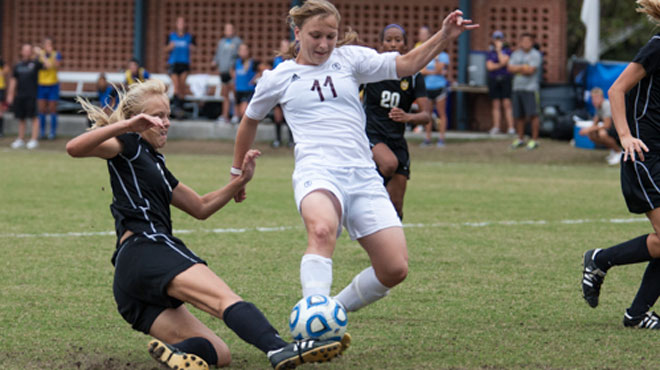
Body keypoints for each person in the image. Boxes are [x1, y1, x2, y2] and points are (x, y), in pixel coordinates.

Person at [66, 79, 342, 370]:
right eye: (158, 116)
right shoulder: (128, 145)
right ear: (138, 119)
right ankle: (278, 349)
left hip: (129, 281)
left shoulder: (154, 164)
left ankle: (178, 355)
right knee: (225, 299)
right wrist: (126, 126)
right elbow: (74, 148)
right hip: (147, 248)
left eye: (168, 115)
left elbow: (200, 207)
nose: (165, 122)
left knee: (218, 353)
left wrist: (240, 181)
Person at [232, 0, 476, 325]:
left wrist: (443, 35)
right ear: (297, 32)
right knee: (321, 231)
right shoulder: (279, 77)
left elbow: (405, 64)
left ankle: (332, 310)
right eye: (315, 35)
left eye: (330, 36)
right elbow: (249, 120)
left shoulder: (350, 59)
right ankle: (313, 318)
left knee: (394, 268)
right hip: (317, 172)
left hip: (363, 175)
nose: (323, 44)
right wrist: (238, 173)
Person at [581, 0, 660, 330]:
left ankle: (637, 313)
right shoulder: (658, 46)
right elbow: (616, 90)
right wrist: (625, 136)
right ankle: (600, 259)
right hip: (644, 153)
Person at [363, 24, 431, 219]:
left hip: (397, 140)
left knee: (396, 209)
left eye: (398, 40)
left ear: (405, 44)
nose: (393, 44)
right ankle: (362, 195)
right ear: (381, 44)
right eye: (388, 40)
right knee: (389, 164)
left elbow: (427, 115)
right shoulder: (369, 69)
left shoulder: (413, 75)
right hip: (371, 134)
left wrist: (408, 117)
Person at [508, 33, 542, 150]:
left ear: (532, 42)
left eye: (528, 41)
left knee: (533, 115)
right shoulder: (516, 54)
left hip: (531, 89)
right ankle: (520, 139)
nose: (526, 43)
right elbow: (510, 68)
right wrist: (523, 67)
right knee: (519, 115)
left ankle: (534, 140)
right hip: (517, 88)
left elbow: (531, 71)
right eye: (524, 41)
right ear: (520, 42)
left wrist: (518, 68)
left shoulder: (535, 55)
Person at [8, 44, 43, 150]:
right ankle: (21, 139)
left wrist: (40, 53)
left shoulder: (35, 63)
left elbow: (48, 66)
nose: (27, 52)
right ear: (22, 51)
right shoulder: (18, 65)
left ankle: (33, 139)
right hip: (20, 95)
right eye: (25, 50)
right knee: (21, 118)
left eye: (29, 50)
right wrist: (10, 94)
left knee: (34, 117)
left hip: (32, 95)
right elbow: (14, 80)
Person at [577, 87, 622, 165]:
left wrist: (588, 130)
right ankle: (613, 150)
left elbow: (607, 125)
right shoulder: (598, 107)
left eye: (596, 98)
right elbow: (595, 122)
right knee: (592, 134)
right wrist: (588, 130)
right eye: (593, 98)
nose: (594, 100)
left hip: (619, 129)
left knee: (602, 133)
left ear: (602, 97)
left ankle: (619, 152)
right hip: (612, 129)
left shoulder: (606, 105)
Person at [486, 30, 515, 136]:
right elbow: (489, 67)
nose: (497, 41)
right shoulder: (490, 52)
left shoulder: (507, 51)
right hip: (493, 79)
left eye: (499, 38)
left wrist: (499, 51)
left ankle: (511, 127)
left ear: (503, 39)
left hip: (505, 79)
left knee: (507, 103)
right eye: (496, 39)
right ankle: (496, 127)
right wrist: (500, 65)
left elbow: (504, 61)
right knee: (495, 104)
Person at [420, 45, 450, 147]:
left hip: (439, 87)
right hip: (428, 87)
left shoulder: (444, 56)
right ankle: (427, 138)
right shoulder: (427, 56)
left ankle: (441, 138)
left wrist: (436, 60)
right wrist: (435, 72)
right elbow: (422, 71)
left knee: (441, 113)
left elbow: (439, 69)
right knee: (427, 113)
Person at [166, 16, 195, 117]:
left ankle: (181, 109)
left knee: (182, 86)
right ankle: (176, 108)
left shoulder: (189, 37)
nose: (181, 25)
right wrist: (170, 47)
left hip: (184, 63)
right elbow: (165, 49)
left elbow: (194, 48)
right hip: (174, 63)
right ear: (176, 24)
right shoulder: (171, 36)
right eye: (179, 23)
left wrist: (192, 48)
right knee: (176, 86)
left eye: (183, 23)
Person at [212, 23, 242, 124]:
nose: (228, 31)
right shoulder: (221, 42)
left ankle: (235, 115)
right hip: (223, 71)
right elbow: (218, 55)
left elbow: (239, 56)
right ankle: (225, 116)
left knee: (234, 95)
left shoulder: (237, 41)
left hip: (232, 71)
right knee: (225, 95)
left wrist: (234, 68)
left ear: (233, 30)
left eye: (230, 29)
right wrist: (215, 62)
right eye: (226, 29)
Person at [36, 37, 61, 140]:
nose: (48, 46)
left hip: (53, 84)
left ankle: (52, 132)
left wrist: (45, 55)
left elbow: (54, 66)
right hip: (41, 84)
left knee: (52, 108)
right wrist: (41, 54)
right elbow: (41, 66)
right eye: (46, 44)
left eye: (50, 44)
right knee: (41, 109)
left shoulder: (56, 54)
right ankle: (42, 132)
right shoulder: (38, 55)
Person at [272, 39, 294, 148]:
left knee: (290, 116)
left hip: (290, 91)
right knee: (278, 117)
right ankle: (278, 139)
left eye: (286, 46)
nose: (284, 48)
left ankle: (291, 140)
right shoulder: (277, 61)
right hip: (279, 92)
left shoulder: (294, 60)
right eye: (282, 46)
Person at [231, 43, 256, 121]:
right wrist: (235, 79)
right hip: (238, 90)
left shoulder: (253, 62)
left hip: (248, 91)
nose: (243, 52)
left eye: (245, 50)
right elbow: (231, 71)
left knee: (243, 113)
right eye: (241, 50)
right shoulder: (236, 62)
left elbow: (264, 69)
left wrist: (253, 80)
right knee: (237, 115)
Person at [0, 56, 8, 137]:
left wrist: (1, 73)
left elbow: (6, 69)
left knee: (0, 110)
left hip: (0, 87)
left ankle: (1, 131)